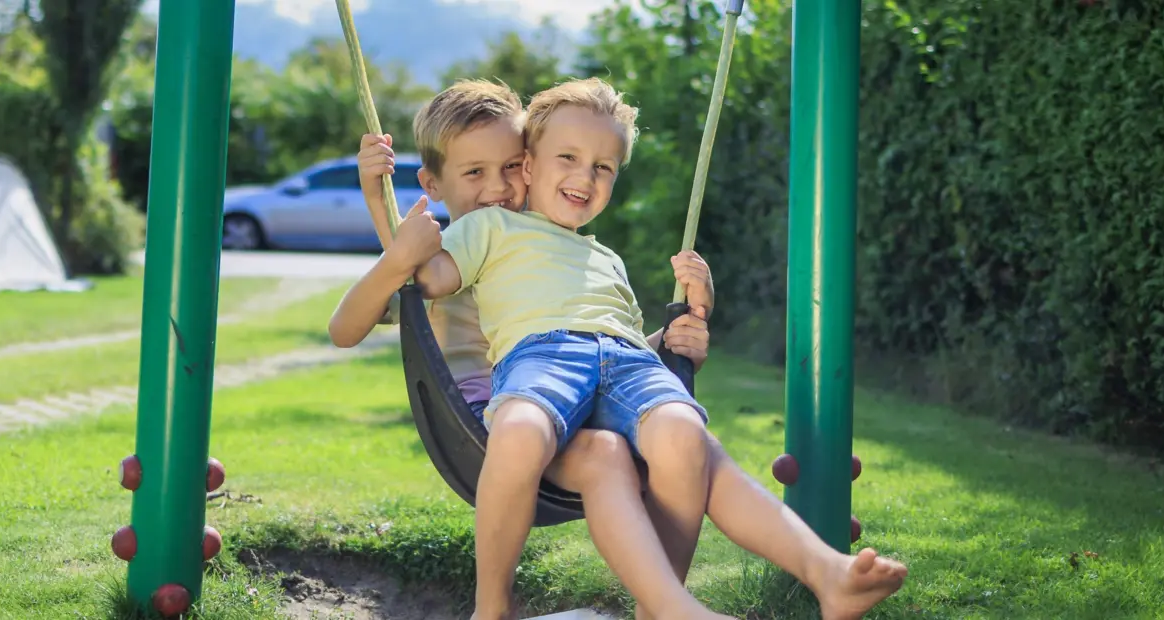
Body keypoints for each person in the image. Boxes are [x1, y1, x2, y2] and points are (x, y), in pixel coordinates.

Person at [329, 78, 906, 619]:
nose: (500, 188)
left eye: (510, 168)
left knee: (672, 442)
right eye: (476, 172)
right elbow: (365, 313)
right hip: (493, 416)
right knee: (545, 433)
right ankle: (500, 606)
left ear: (528, 164)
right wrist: (383, 213)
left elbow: (613, 340)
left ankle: (734, 590)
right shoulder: (476, 239)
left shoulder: (586, 253)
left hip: (602, 393)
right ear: (434, 184)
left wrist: (676, 342)